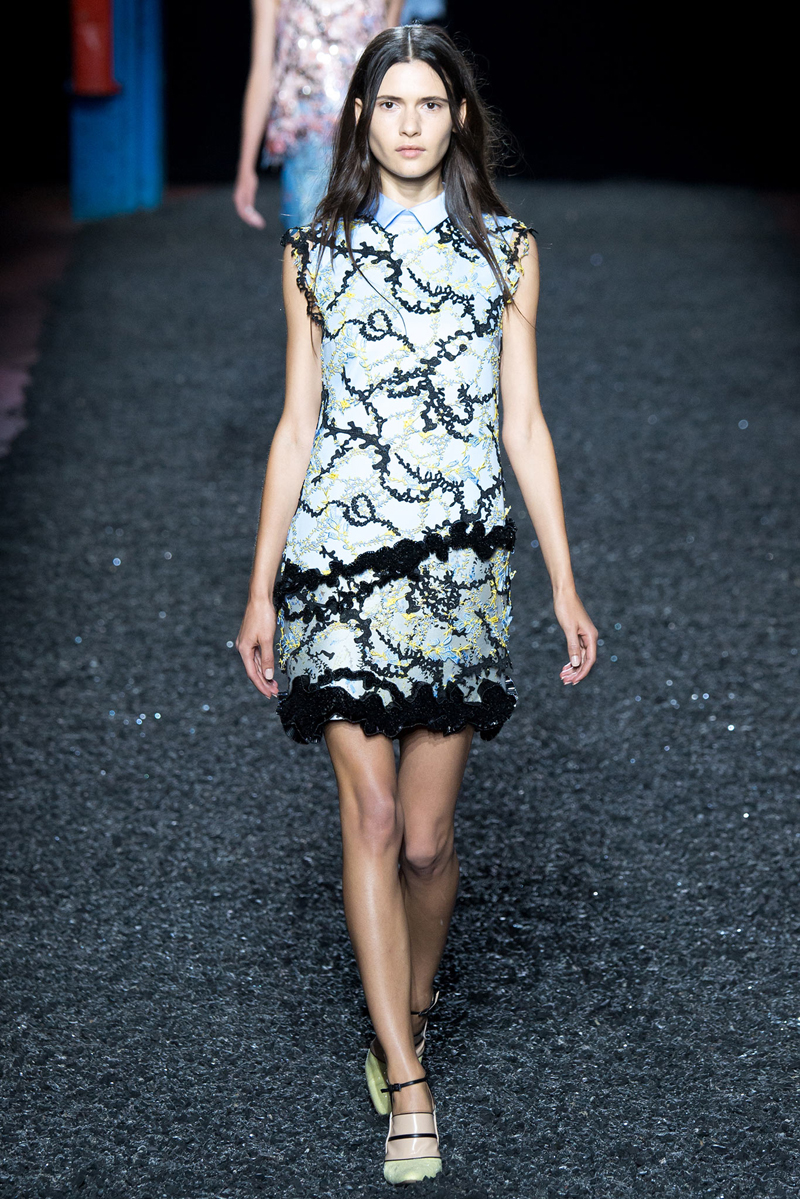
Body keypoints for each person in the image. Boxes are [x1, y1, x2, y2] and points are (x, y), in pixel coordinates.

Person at [236, 24, 597, 1184]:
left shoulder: (506, 248)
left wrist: (563, 577)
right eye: (388, 103)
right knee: (377, 819)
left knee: (431, 839)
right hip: (335, 566)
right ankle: (404, 1075)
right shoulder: (313, 254)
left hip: (457, 571)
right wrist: (260, 585)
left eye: (428, 104)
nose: (407, 122)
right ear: (358, 118)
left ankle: (412, 1007)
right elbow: (296, 424)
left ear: (457, 120)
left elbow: (522, 422)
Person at [234, 0, 403, 231]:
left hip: (367, 135)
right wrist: (246, 167)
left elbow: (392, 65)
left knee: (372, 240)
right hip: (305, 143)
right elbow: (263, 70)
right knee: (308, 242)